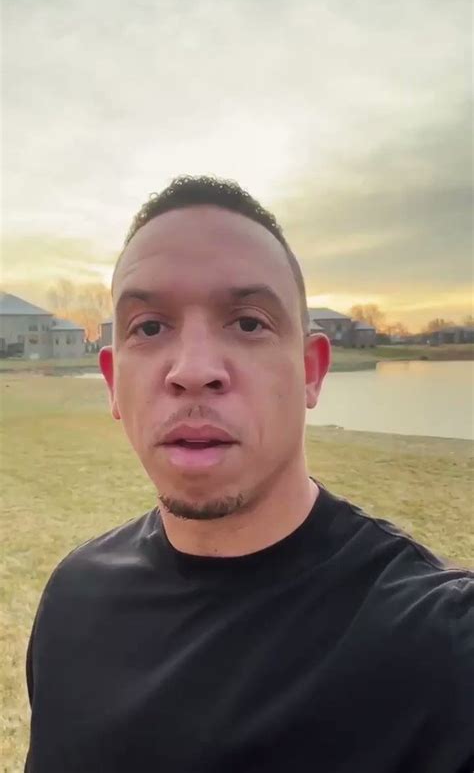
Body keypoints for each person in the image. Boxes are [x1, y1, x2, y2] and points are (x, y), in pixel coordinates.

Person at [25, 176, 473, 773]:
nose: (193, 371)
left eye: (249, 323)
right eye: (150, 327)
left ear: (311, 371)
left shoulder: (443, 648)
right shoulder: (73, 600)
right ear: (113, 381)